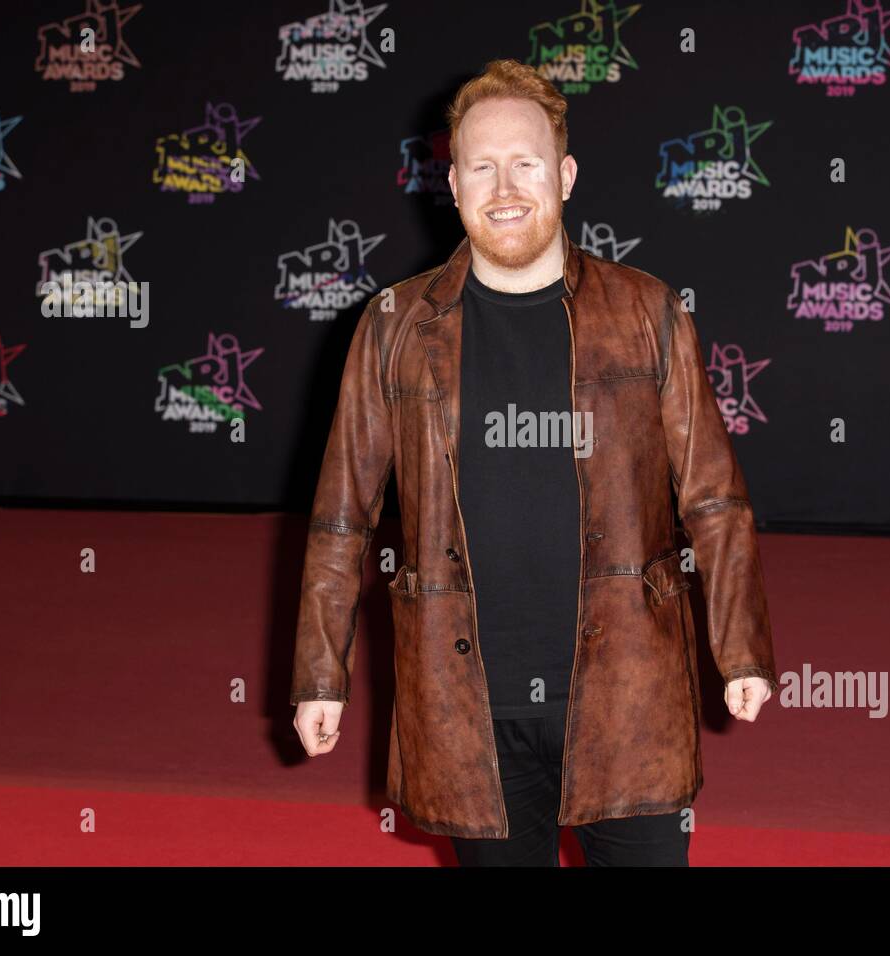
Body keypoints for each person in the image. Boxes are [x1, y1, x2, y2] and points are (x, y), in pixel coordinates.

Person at [291, 59, 776, 867]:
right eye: (482, 165)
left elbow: (713, 499)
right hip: (467, 707)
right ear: (452, 183)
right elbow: (343, 514)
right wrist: (318, 671)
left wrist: (742, 649)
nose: (505, 186)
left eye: (527, 163)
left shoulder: (648, 310)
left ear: (566, 175)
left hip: (628, 700)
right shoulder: (393, 326)